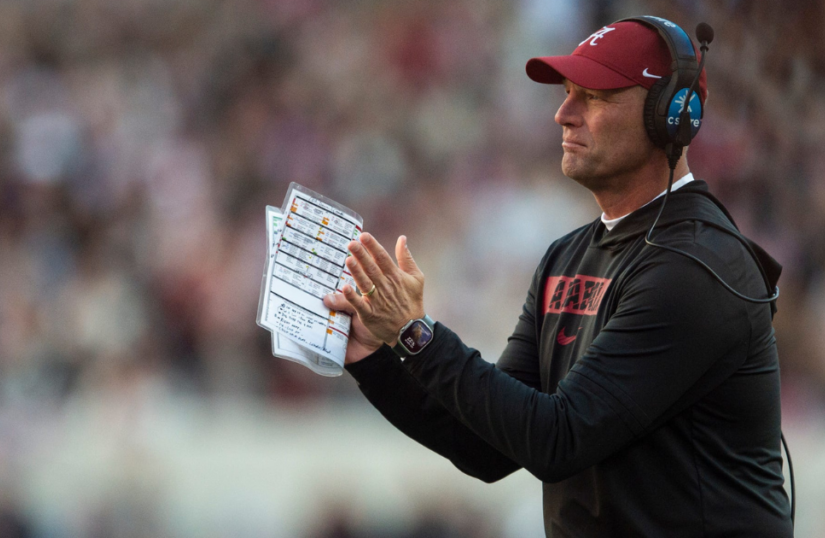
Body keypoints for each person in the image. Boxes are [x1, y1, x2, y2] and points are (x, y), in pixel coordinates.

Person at [324, 17, 793, 537]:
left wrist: (416, 334)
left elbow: (560, 438)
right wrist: (374, 355)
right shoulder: (566, 256)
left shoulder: (697, 269)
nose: (562, 114)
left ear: (671, 116)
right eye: (568, 93)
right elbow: (487, 446)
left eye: (593, 97)